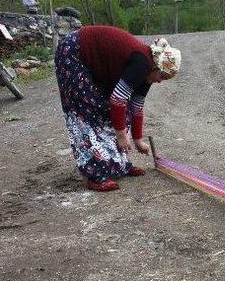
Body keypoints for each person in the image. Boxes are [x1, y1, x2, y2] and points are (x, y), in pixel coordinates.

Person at [54, 26, 181, 192]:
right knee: (86, 111)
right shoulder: (142, 64)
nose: (160, 81)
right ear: (158, 67)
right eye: (162, 77)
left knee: (120, 112)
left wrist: (138, 140)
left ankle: (118, 165)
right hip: (73, 53)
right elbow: (117, 99)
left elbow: (136, 107)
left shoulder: (148, 74)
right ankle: (93, 175)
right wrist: (121, 135)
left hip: (94, 63)